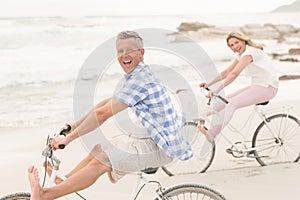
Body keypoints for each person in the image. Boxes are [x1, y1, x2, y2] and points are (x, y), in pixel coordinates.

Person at [27, 30, 193, 200]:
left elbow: (103, 114)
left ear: (141, 52)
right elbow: (106, 104)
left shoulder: (140, 80)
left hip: (161, 147)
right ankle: (64, 184)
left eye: (129, 50)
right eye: (120, 51)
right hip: (149, 140)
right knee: (99, 149)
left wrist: (68, 139)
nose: (124, 55)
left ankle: (46, 195)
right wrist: (74, 125)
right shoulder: (136, 75)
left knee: (103, 160)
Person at [198, 31, 279, 142]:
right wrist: (209, 84)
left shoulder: (249, 53)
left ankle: (212, 133)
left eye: (237, 42)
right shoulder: (241, 55)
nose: (235, 46)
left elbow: (234, 74)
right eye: (231, 45)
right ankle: (199, 117)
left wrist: (217, 90)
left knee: (231, 104)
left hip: (268, 88)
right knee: (224, 100)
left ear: (243, 40)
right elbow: (227, 71)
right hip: (257, 86)